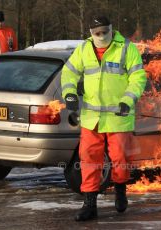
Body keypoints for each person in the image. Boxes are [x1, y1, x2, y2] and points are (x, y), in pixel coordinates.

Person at [61, 16, 147, 221]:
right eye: (96, 33)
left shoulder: (127, 48)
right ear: (91, 33)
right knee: (89, 160)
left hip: (119, 115)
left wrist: (128, 100)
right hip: (92, 117)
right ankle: (89, 204)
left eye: (104, 32)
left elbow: (138, 77)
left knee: (120, 158)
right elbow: (69, 73)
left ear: (111, 29)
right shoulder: (83, 49)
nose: (100, 36)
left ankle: (120, 191)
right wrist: (70, 94)